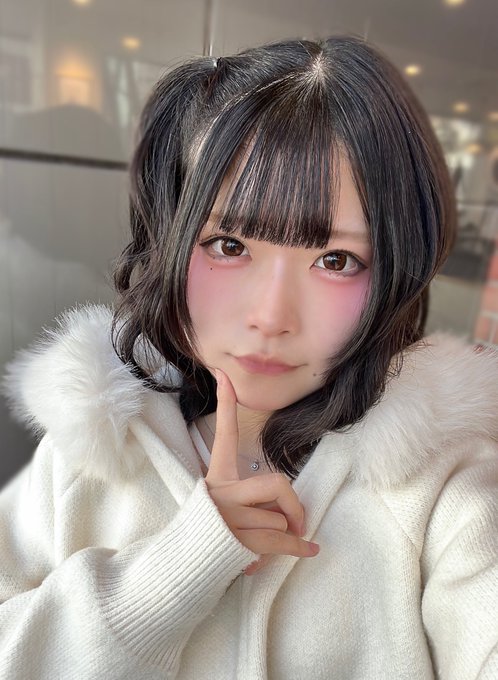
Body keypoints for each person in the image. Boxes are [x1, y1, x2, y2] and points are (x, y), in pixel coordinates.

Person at [1, 35, 497, 680]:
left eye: (336, 260)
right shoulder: (90, 448)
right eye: (230, 245)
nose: (270, 315)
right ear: (169, 237)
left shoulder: (441, 481)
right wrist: (172, 573)